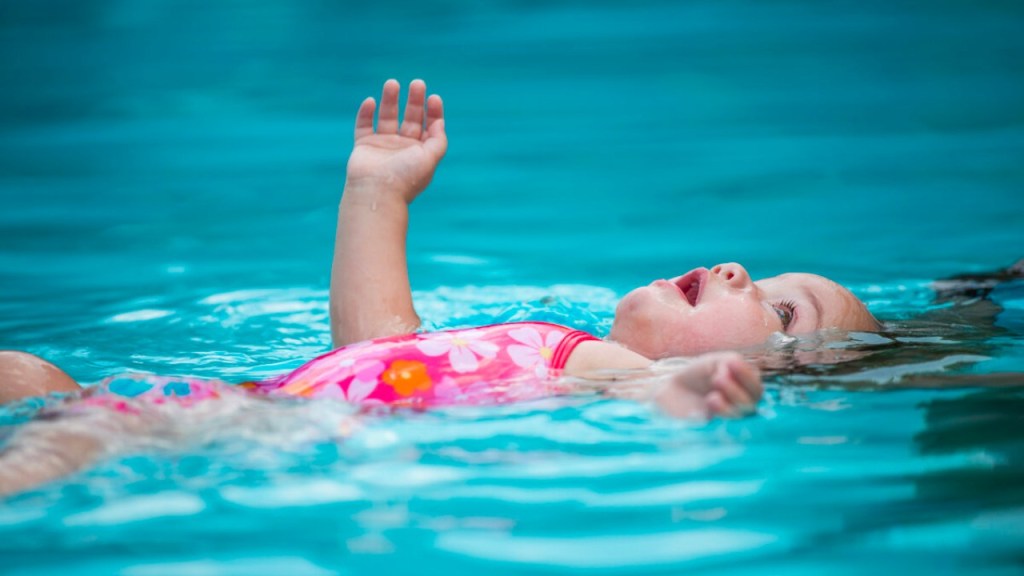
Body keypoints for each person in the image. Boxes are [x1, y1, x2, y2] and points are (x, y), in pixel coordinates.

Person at [0, 79, 887, 495]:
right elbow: (377, 349)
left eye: (776, 306)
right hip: (237, 403)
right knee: (29, 379)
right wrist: (376, 192)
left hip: (255, 431)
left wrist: (693, 394)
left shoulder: (613, 371)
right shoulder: (553, 348)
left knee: (60, 439)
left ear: (778, 367)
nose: (738, 268)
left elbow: (653, 395)